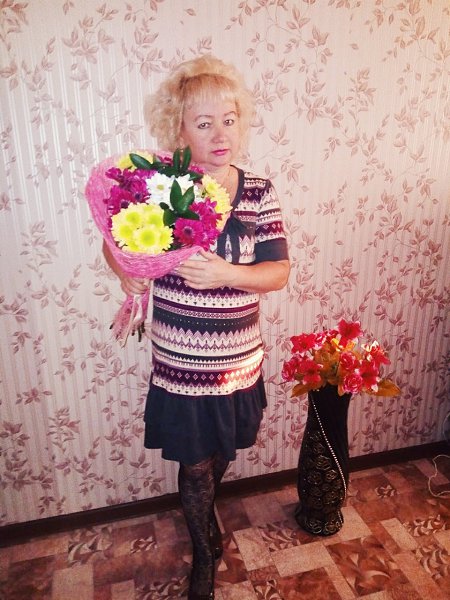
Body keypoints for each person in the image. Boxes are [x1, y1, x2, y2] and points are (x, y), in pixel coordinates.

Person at [103, 55, 290, 600]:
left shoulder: (258, 191)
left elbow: (278, 271)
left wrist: (227, 274)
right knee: (194, 461)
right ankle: (205, 553)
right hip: (182, 359)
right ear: (179, 129)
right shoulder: (161, 187)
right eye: (204, 123)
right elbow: (115, 243)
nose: (220, 134)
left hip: (237, 358)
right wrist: (124, 273)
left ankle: (207, 517)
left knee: (222, 452)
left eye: (229, 119)